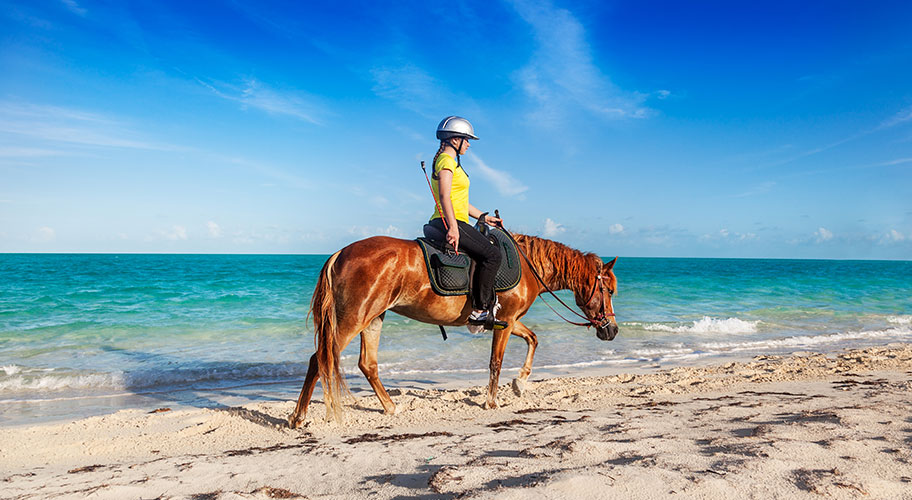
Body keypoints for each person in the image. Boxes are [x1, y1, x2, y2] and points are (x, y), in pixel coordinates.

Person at [428, 116, 505, 332]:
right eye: (467, 140)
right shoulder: (446, 161)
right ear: (455, 139)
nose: (469, 144)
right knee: (492, 255)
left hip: (455, 218)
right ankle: (480, 311)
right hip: (449, 221)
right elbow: (444, 196)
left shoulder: (452, 163)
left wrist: (484, 217)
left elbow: (459, 200)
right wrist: (453, 227)